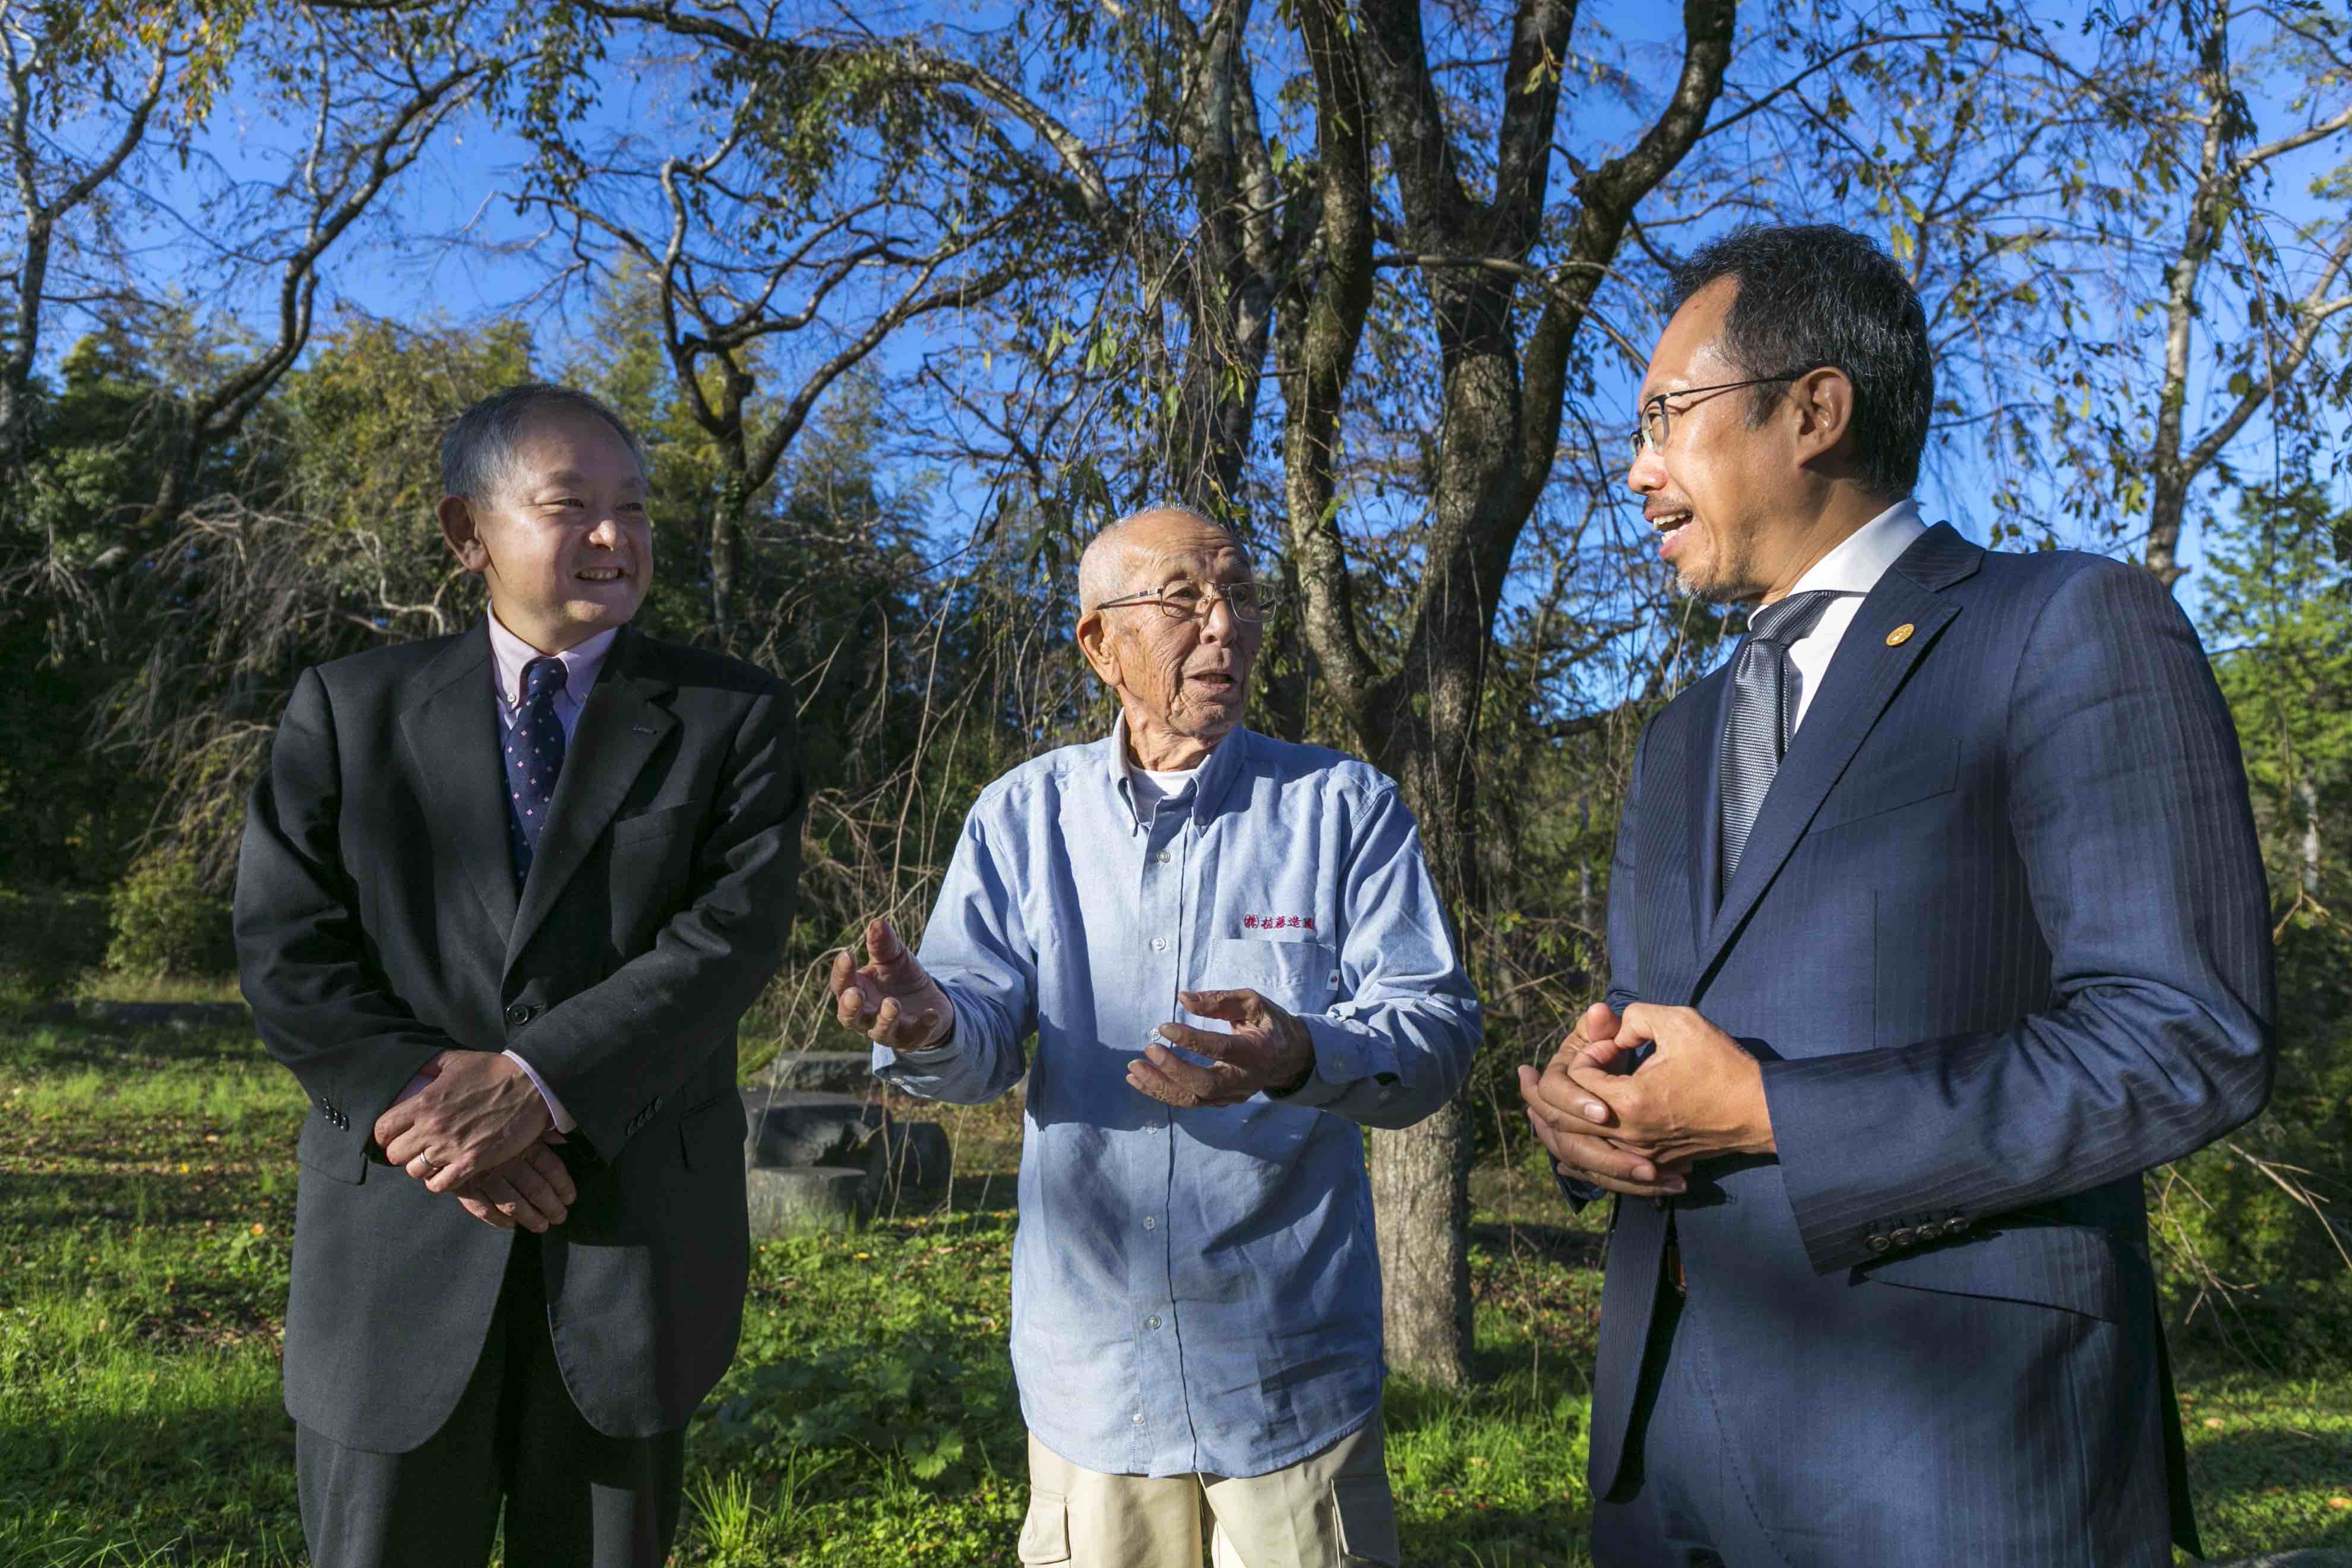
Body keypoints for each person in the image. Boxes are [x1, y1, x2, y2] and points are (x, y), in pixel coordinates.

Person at [1517, 223, 2275, 1566]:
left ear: (1813, 409)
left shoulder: (2067, 628)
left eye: (1665, 417)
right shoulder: (1678, 734)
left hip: (1954, 1456)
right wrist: (1588, 1118)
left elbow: (2183, 1038)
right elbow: (1662, 1036)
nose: (1636, 472)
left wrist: (1771, 1115)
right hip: (1665, 1452)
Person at [827, 503, 1479, 1568]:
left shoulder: (1344, 808)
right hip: (1095, 1385)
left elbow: (1437, 1027)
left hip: (1286, 1374)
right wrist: (934, 1022)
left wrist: (1306, 1054)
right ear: (1099, 642)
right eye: (1184, 599)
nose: (1226, 626)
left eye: (1243, 598)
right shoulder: (1021, 817)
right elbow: (979, 1033)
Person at [233, 383, 805, 1567]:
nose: (616, 536)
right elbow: (288, 946)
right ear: (467, 532)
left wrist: (539, 1085)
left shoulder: (730, 716)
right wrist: (430, 1113)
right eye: (572, 506)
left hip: (626, 1239)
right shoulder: (351, 708)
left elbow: (731, 935)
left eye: (636, 508)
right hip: (400, 1230)